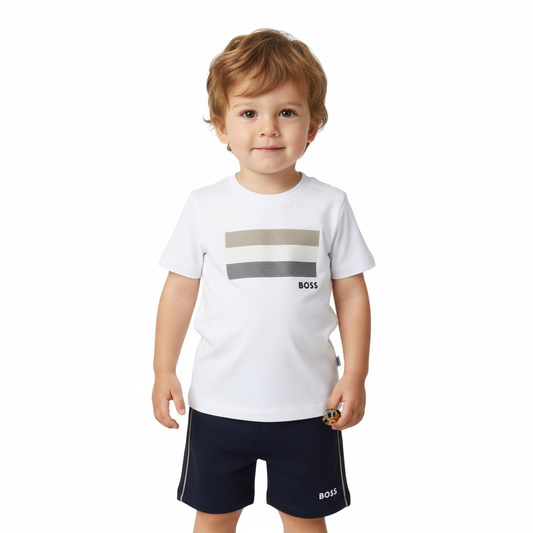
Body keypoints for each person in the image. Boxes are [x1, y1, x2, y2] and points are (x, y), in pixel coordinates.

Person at [152, 28, 375, 533]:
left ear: (313, 125)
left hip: (312, 406)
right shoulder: (204, 206)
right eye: (249, 113)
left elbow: (352, 295)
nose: (269, 128)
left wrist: (356, 375)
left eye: (287, 112)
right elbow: (179, 291)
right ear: (220, 126)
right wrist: (163, 369)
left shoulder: (330, 204)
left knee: (306, 520)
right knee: (214, 519)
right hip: (218, 404)